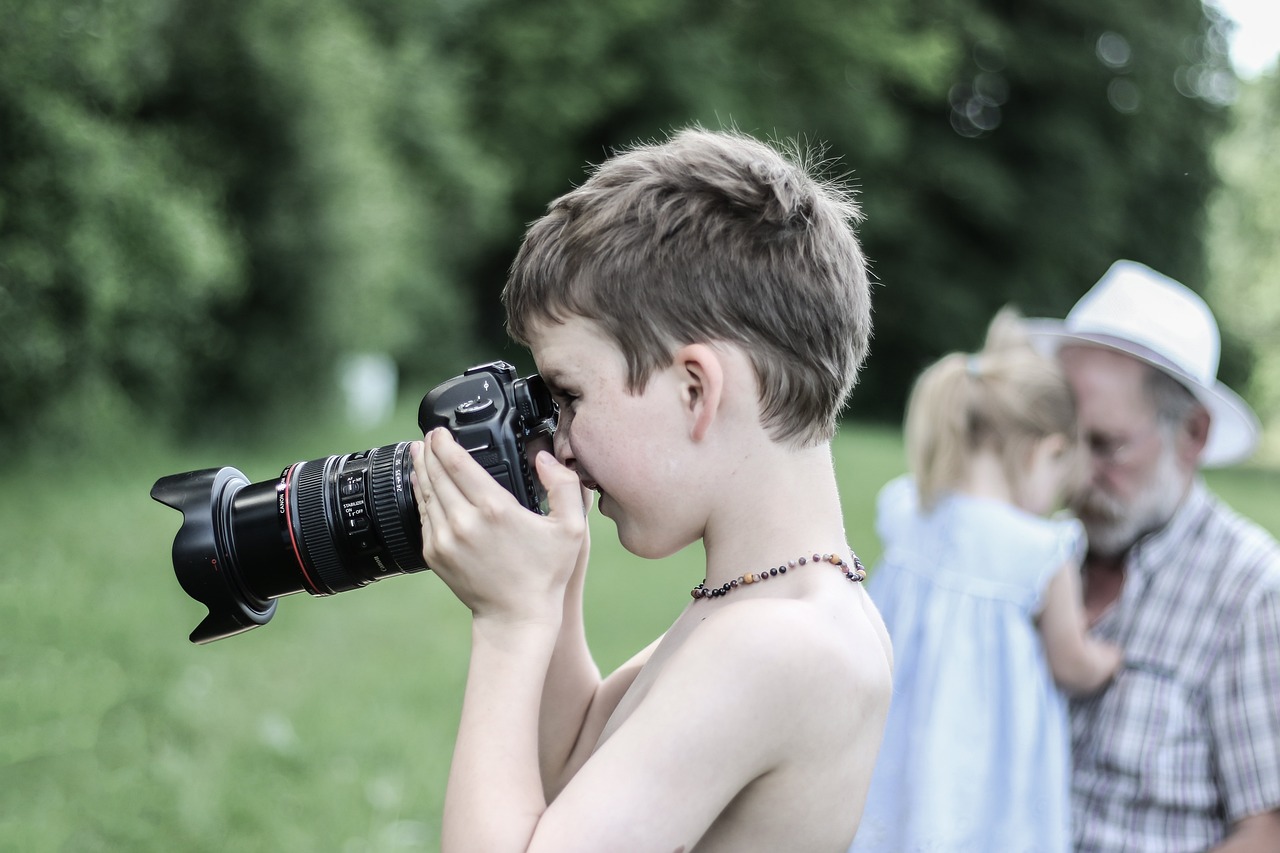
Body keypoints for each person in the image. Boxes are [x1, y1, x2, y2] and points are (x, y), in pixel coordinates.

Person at [407, 127, 893, 853]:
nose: (559, 439)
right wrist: (556, 577)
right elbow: (575, 761)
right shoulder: (764, 604)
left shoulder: (777, 645)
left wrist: (509, 625)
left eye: (570, 395)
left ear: (695, 389)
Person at [1027, 259, 1280, 853]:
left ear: (1192, 435)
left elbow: (1268, 830)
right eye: (1066, 443)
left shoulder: (1251, 591)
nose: (1081, 476)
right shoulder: (1031, 552)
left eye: (1108, 445)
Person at [850, 308, 1124, 853]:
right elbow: (1070, 662)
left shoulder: (909, 511)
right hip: (985, 769)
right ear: (1043, 452)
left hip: (895, 746)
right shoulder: (1040, 550)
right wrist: (1108, 661)